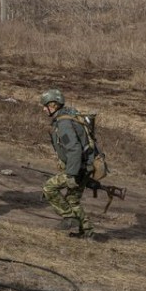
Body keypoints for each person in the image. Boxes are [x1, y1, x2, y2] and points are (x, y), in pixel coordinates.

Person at [39, 88, 95, 238]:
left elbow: (74, 149)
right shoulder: (70, 115)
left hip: (77, 170)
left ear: (54, 105)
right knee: (73, 200)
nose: (44, 109)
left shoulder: (64, 124)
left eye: (46, 106)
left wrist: (71, 175)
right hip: (84, 167)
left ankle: (69, 218)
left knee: (48, 188)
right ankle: (88, 233)